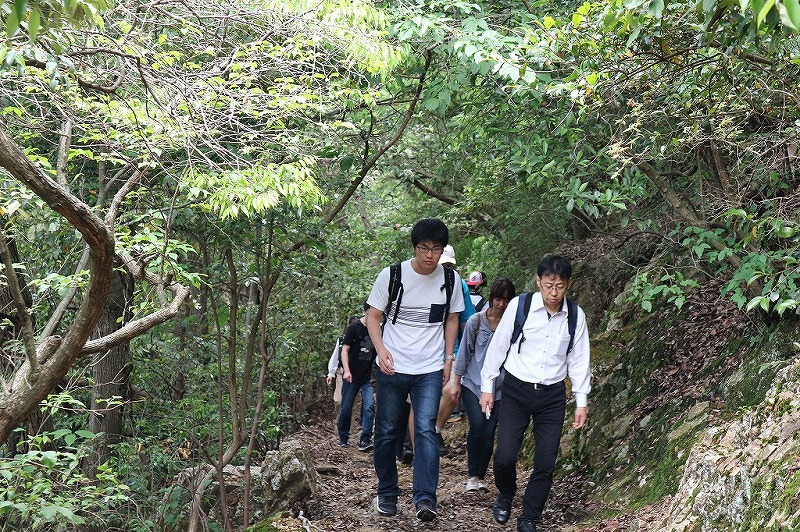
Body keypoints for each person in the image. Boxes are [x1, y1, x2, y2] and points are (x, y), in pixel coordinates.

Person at [480, 255, 590, 532]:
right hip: (516, 390)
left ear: (568, 285)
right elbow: (498, 347)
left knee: (545, 461)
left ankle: (529, 516)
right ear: (538, 281)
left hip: (552, 396)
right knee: (504, 456)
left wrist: (581, 401)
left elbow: (579, 361)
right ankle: (505, 494)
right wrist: (487, 387)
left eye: (560, 286)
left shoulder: (575, 316)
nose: (554, 293)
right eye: (549, 285)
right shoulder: (521, 306)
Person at [366, 218, 465, 522]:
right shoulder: (393, 275)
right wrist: (381, 350)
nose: (429, 255)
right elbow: (373, 316)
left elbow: (452, 320)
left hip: (430, 368)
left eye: (436, 249)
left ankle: (425, 499)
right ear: (415, 247)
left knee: (426, 431)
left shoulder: (450, 280)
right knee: (385, 431)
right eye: (424, 248)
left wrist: (449, 360)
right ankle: (387, 493)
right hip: (393, 367)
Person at [451, 277, 516, 492]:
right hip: (473, 383)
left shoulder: (514, 326)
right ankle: (471, 474)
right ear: (491, 298)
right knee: (477, 425)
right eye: (498, 299)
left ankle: (480, 475)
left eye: (506, 300)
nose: (501, 304)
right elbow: (465, 353)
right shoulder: (476, 322)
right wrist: (456, 382)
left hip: (499, 387)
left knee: (489, 432)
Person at [434, 245, 475, 454]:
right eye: (444, 265)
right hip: (423, 350)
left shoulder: (459, 284)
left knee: (450, 392)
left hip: (453, 350)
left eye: (449, 265)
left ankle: (436, 431)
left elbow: (467, 321)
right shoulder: (420, 279)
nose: (446, 269)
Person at [336, 302, 378, 451]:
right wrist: (346, 370)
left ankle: (365, 440)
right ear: (365, 311)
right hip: (351, 376)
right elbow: (345, 350)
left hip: (366, 377)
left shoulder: (378, 329)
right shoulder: (354, 327)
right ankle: (343, 437)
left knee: (369, 407)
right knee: (346, 407)